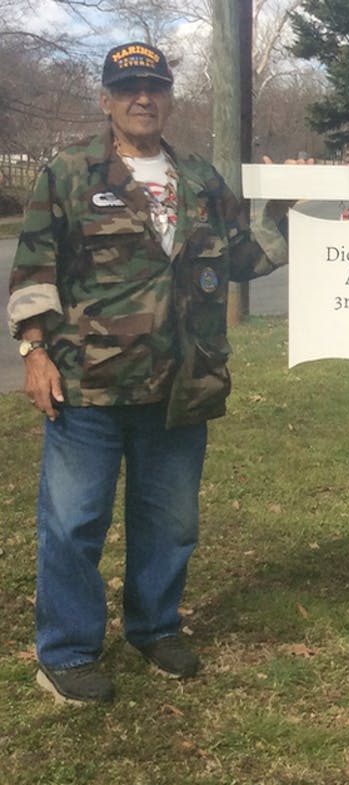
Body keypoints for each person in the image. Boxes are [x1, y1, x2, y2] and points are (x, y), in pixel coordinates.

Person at [7, 42, 295, 705]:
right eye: (128, 86)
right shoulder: (71, 173)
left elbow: (242, 257)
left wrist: (284, 210)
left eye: (154, 86)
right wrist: (33, 350)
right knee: (75, 522)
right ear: (106, 99)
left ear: (169, 98)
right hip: (88, 388)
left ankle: (154, 626)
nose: (143, 97)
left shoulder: (198, 178)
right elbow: (33, 268)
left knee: (169, 522)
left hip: (180, 386)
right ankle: (67, 651)